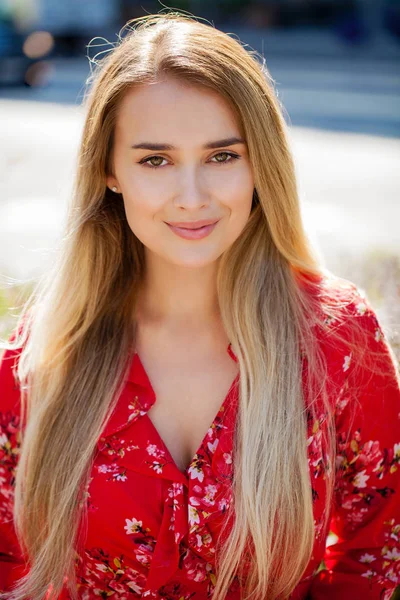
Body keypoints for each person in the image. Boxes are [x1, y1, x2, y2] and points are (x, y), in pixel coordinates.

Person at [0, 11, 399, 600]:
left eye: (222, 156)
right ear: (110, 171)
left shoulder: (336, 338)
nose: (193, 198)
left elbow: (378, 552)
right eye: (154, 160)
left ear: (260, 163)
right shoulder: (43, 355)